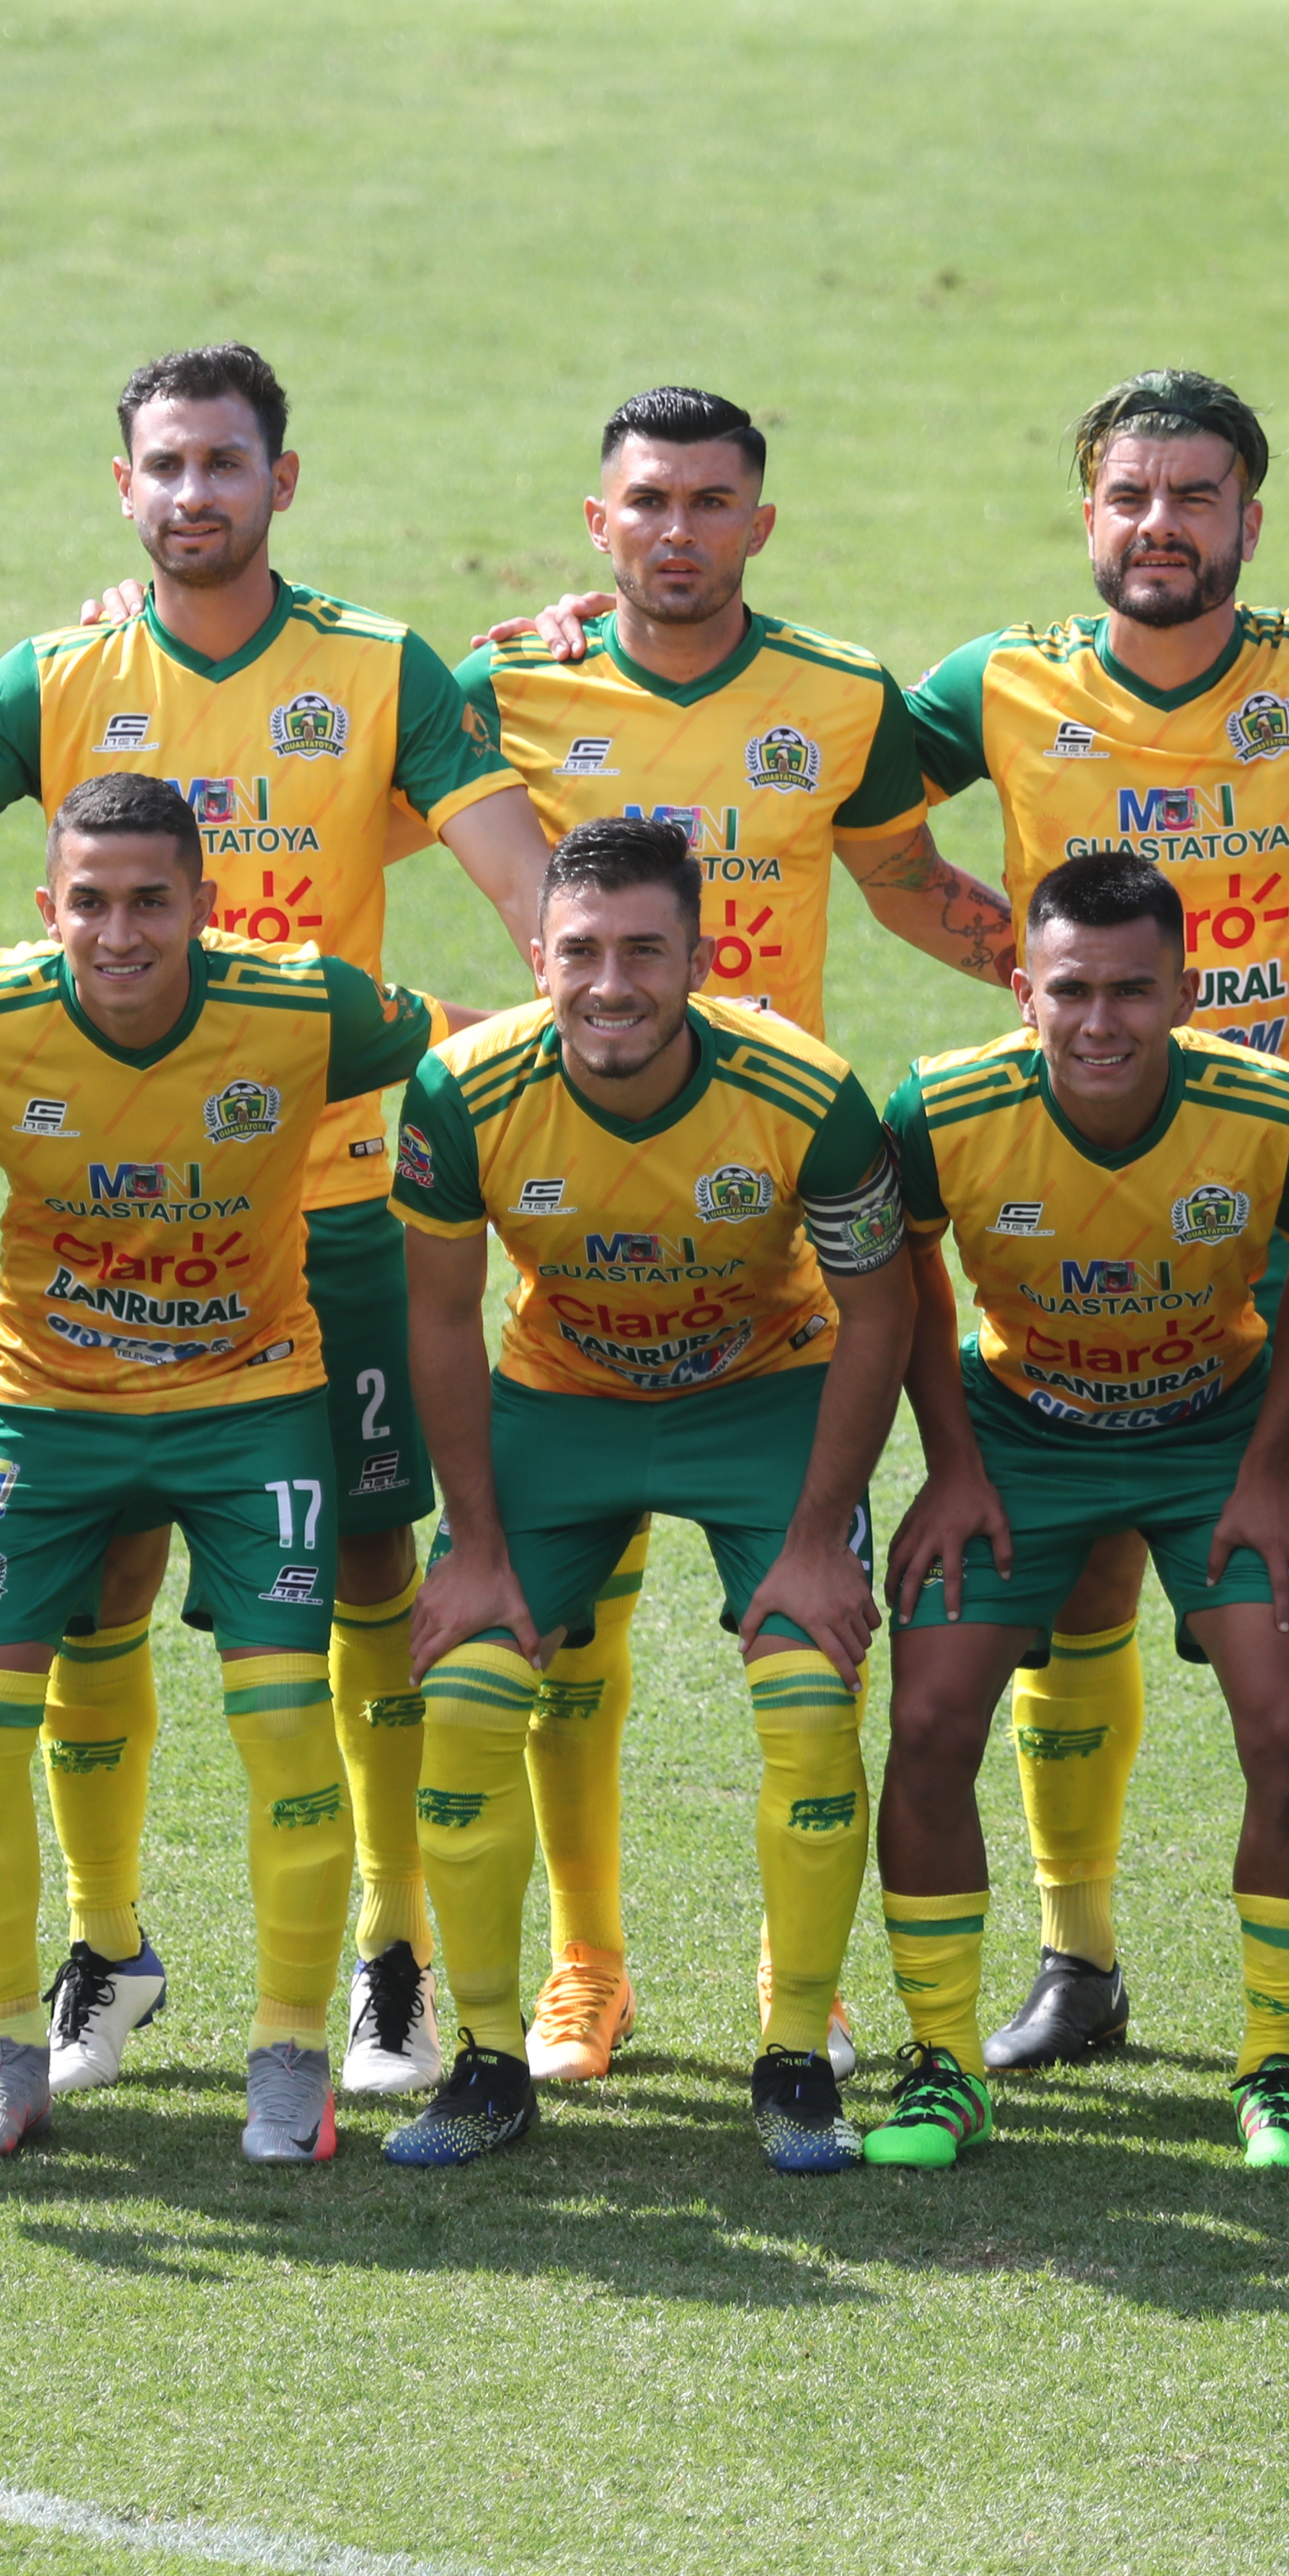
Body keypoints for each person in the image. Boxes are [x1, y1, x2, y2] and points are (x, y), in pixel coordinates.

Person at [0, 345, 555, 2105]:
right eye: (166, 465)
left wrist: (588, 1027)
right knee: (96, 1578)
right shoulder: (58, 677)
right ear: (124, 488)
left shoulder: (379, 668)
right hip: (111, 1234)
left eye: (227, 463)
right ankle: (109, 1947)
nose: (196, 494)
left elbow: (522, 886)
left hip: (329, 1205)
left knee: (365, 1572)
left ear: (284, 479)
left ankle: (388, 1956)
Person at [423, 384, 1013, 2085]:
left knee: (803, 1676)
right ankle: (582, 1970)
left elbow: (909, 882)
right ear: (596, 523)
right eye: (646, 502)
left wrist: (1068, 1007)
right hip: (572, 1245)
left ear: (762, 520)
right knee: (559, 1652)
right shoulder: (504, 683)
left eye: (710, 501)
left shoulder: (839, 698)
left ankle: (796, 2003)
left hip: (767, 1220)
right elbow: (313, 796)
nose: (676, 529)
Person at [895, 371, 1289, 2080]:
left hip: (1271, 1213)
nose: (1162, 526)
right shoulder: (1002, 681)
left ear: (1252, 521)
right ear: (1089, 514)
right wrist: (1027, 977)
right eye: (1130, 496)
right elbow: (847, 798)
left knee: (1287, 1614)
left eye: (1198, 497)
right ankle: (1080, 1952)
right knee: (1077, 1601)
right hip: (1063, 1202)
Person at [0, 773, 454, 2164]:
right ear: (43, 911)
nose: (119, 933)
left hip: (250, 1406)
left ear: (204, 906)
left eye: (149, 903)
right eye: (89, 903)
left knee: (286, 1729)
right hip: (44, 1414)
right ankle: (6, 2053)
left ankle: (291, 2055)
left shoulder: (304, 1006)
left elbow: (469, 1051)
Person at [383, 815, 913, 2171]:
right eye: (579, 952)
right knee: (466, 1693)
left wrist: (813, 1541)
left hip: (764, 1398)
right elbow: (439, 1323)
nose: (609, 983)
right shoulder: (460, 1091)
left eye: (642, 952)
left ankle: (797, 2051)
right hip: (563, 1401)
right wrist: (477, 1547)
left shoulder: (805, 1092)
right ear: (539, 956)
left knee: (807, 1691)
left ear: (700, 959)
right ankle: (492, 2065)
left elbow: (879, 1309)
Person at [868, 852, 1289, 2172]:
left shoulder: (1275, 1111)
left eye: (1135, 992)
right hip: (1024, 1428)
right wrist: (954, 1463)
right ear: (1023, 989)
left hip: (1214, 1431)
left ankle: (1274, 2069)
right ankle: (942, 2065)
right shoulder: (939, 1111)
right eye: (1072, 990)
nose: (1102, 1022)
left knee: (1288, 1718)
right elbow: (906, 1269)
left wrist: (1267, 1471)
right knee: (923, 1718)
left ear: (1185, 990)